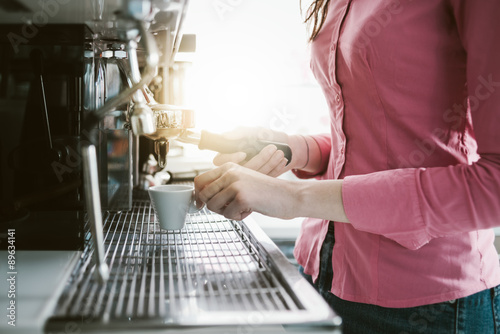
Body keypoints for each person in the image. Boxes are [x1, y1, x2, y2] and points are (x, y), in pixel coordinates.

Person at [194, 1, 500, 333]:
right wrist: (295, 149)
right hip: (321, 275)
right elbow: (373, 140)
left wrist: (291, 196)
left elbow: (494, 186)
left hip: (429, 307)